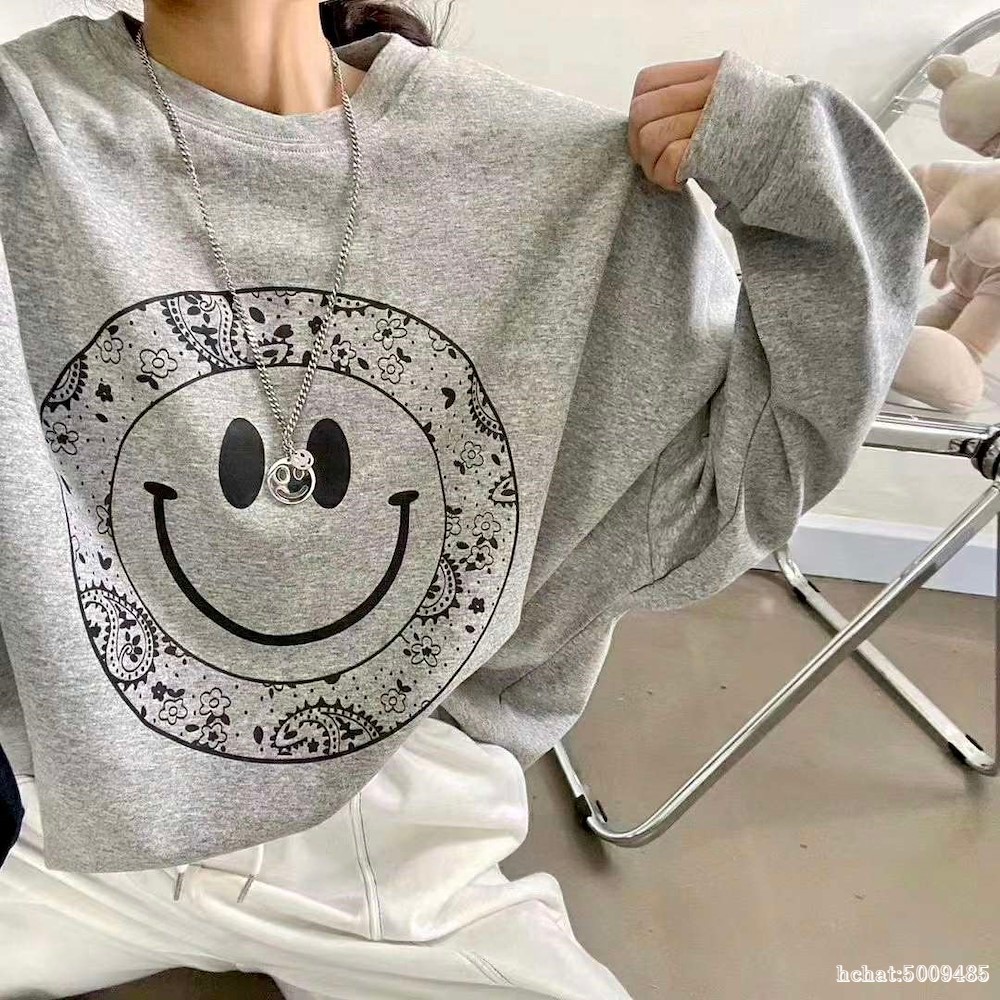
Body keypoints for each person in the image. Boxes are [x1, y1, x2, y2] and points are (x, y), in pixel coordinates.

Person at [0, 0, 927, 997]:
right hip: (53, 816)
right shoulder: (27, 128)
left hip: (393, 843)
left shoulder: (543, 177)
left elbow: (748, 480)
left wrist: (803, 173)